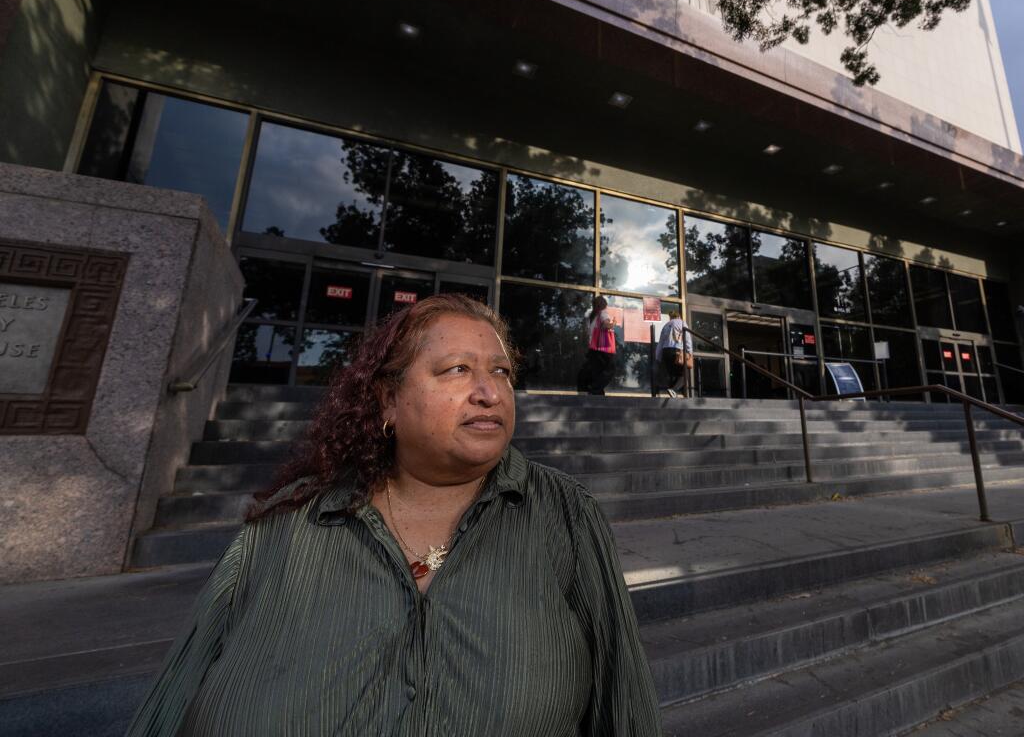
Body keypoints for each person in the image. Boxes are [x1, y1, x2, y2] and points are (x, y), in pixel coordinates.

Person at [126, 294, 662, 737]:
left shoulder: (565, 515)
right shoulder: (285, 524)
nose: (488, 392)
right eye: (457, 370)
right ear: (387, 400)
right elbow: (172, 702)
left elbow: (625, 707)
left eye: (501, 372)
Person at [577, 295, 617, 395]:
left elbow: (587, 333)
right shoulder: (603, 313)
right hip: (603, 348)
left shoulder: (592, 317)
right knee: (610, 370)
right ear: (603, 305)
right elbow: (605, 326)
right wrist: (613, 323)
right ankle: (594, 389)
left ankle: (597, 392)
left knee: (597, 371)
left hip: (593, 348)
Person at [654, 311, 693, 398]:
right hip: (676, 350)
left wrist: (658, 357)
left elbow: (660, 343)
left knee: (672, 373)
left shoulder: (666, 326)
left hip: (665, 351)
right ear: (679, 316)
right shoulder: (682, 323)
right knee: (685, 373)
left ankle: (672, 392)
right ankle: (674, 390)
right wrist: (689, 352)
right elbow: (687, 339)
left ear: (671, 317)